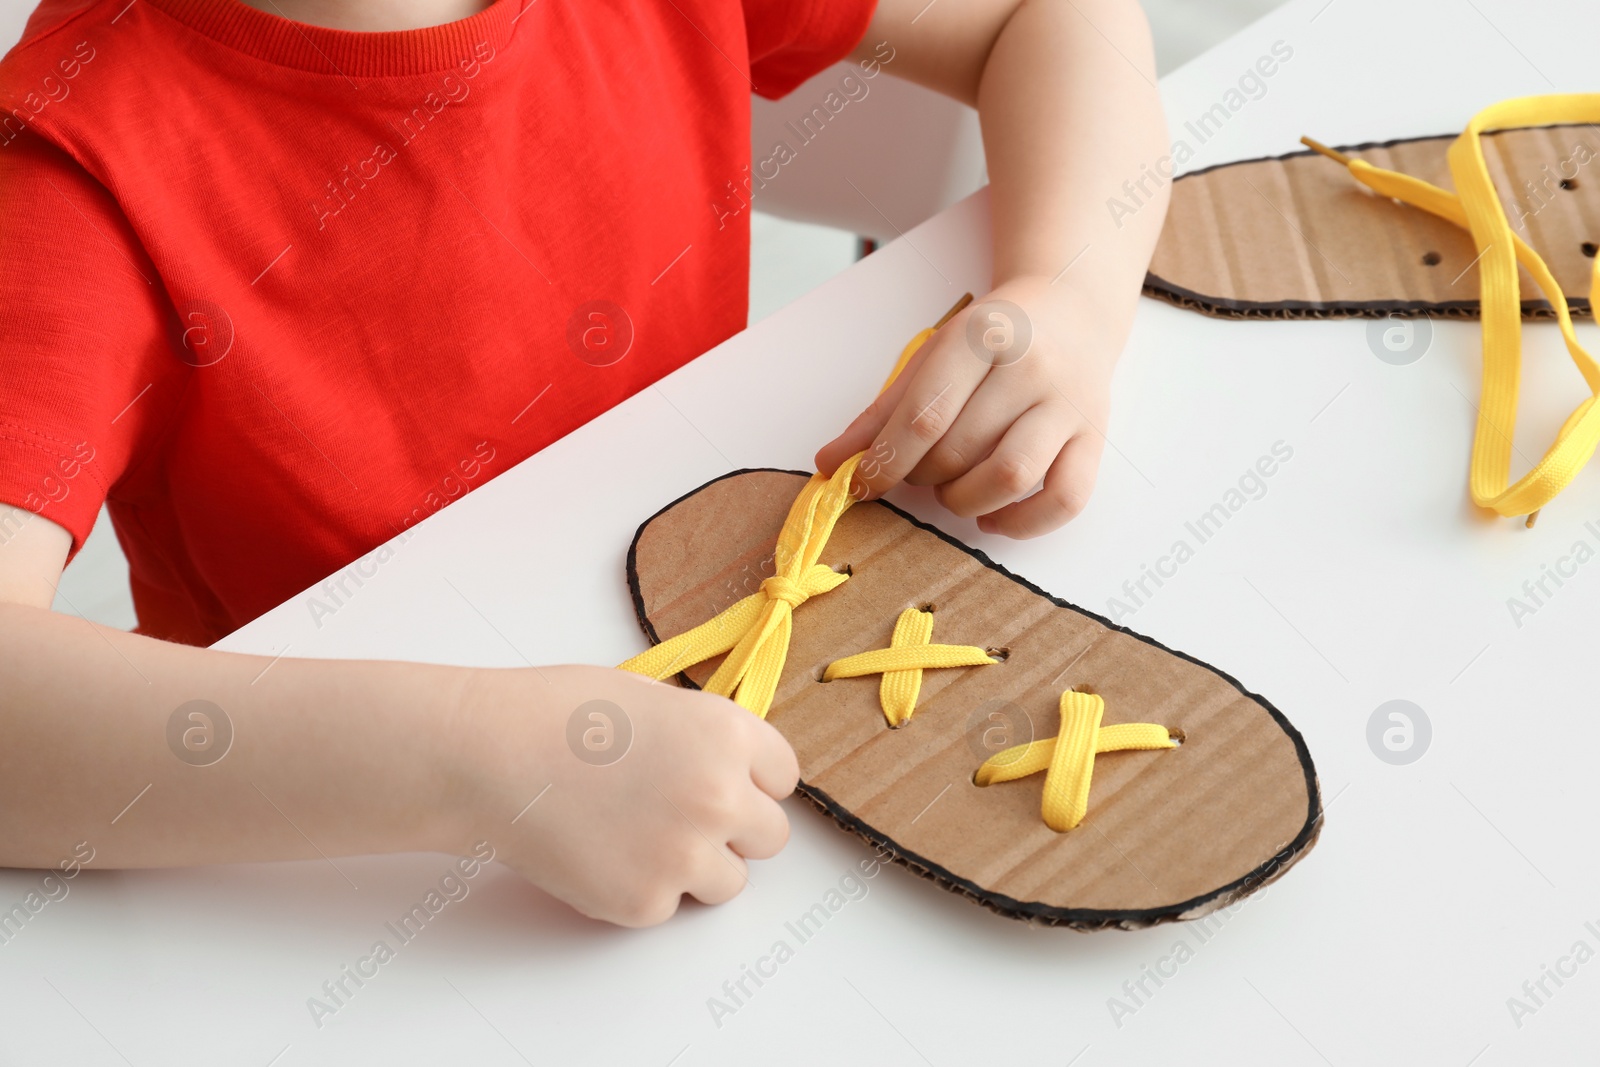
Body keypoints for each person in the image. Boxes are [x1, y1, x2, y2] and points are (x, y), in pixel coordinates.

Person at [0, 0, 1169, 925]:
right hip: (375, 874)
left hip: (781, 706)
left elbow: (1046, 15)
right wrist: (479, 758)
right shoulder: (68, 165)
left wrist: (1068, 291)